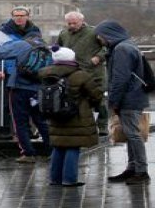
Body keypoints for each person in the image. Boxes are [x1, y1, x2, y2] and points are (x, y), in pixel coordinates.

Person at [38, 47, 102, 187]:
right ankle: (69, 179)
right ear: (71, 59)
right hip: (76, 115)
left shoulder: (45, 73)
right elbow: (96, 94)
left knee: (58, 146)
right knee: (73, 146)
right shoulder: (80, 75)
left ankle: (55, 179)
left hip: (54, 114)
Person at [97, 20, 151, 185]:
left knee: (133, 135)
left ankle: (141, 172)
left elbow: (120, 79)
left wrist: (113, 102)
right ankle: (132, 168)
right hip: (134, 96)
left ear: (108, 35)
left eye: (100, 36)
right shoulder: (127, 45)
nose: (99, 39)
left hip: (129, 98)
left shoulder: (121, 50)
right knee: (130, 133)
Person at [0, 28, 51, 163]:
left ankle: (28, 154)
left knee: (20, 122)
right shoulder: (47, 48)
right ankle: (52, 150)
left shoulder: (22, 44)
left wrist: (2, 43)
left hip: (20, 87)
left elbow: (0, 52)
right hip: (38, 89)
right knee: (41, 121)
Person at [0, 6, 41, 140]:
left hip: (27, 71)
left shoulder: (35, 32)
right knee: (5, 102)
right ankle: (4, 128)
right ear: (12, 17)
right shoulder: (3, 32)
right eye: (16, 15)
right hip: (8, 70)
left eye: (22, 15)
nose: (19, 18)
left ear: (28, 17)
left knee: (28, 102)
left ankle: (27, 130)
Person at [57, 11, 108, 133]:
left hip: (94, 73)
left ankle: (102, 125)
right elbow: (58, 48)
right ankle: (83, 125)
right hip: (73, 72)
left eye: (74, 23)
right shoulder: (63, 34)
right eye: (69, 23)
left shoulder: (94, 32)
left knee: (99, 100)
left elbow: (106, 47)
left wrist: (98, 57)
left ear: (81, 21)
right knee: (78, 100)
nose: (72, 26)